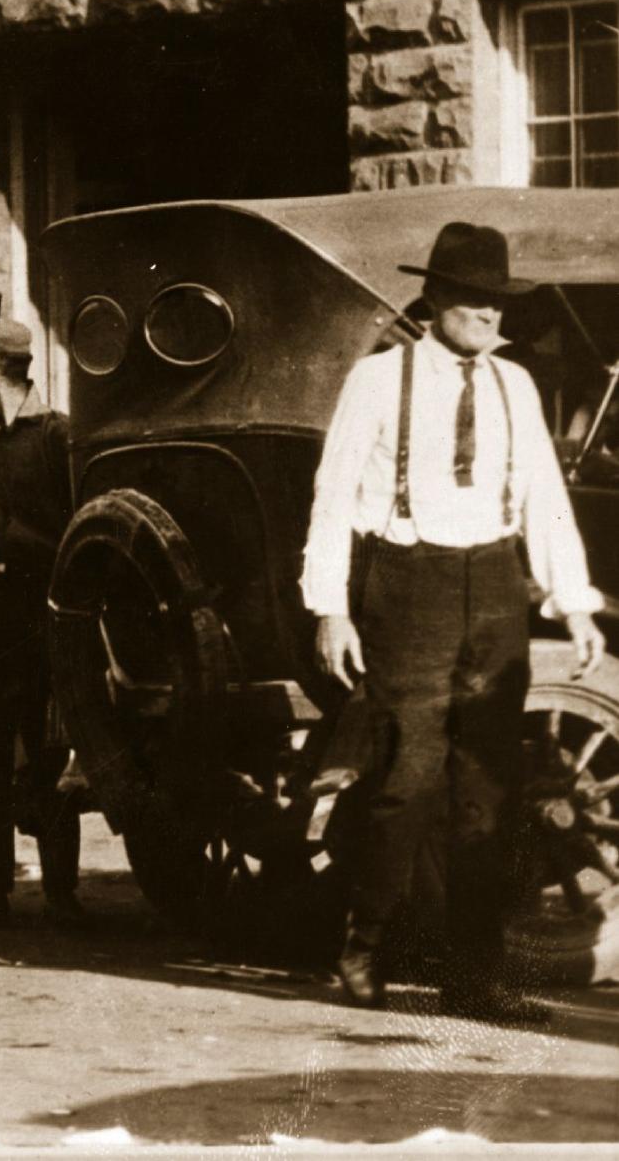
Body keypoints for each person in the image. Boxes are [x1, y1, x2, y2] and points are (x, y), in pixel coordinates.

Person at [305, 221, 605, 1022]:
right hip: (409, 585)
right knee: (403, 782)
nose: (490, 319)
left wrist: (574, 603)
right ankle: (363, 945)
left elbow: (544, 496)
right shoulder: (379, 380)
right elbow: (333, 496)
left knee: (487, 794)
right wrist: (330, 608)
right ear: (435, 299)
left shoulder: (515, 385)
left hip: (496, 586)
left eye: (499, 306)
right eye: (474, 302)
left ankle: (472, 975)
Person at [0, 315, 81, 927]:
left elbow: (78, 532)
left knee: (50, 757)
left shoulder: (55, 437)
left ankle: (61, 892)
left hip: (40, 614)